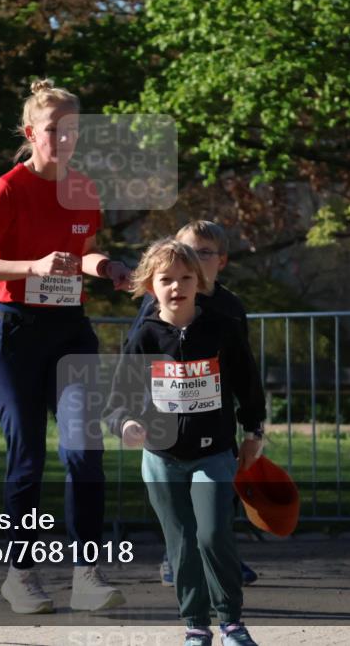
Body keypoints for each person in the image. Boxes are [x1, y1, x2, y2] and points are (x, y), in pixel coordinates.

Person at [0, 78, 132, 614]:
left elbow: (84, 253)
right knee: (28, 455)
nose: (64, 138)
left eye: (73, 130)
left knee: (84, 450)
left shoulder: (83, 189)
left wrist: (108, 267)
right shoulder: (7, 189)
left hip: (69, 330)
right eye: (54, 129)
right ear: (31, 132)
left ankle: (87, 574)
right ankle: (21, 575)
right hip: (15, 333)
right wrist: (32, 266)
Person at [109, 238, 266, 646]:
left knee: (213, 535)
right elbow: (118, 399)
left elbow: (248, 385)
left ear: (200, 282)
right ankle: (196, 624)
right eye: (166, 279)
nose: (176, 286)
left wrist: (254, 432)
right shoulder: (144, 336)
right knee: (180, 543)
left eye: (185, 278)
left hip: (213, 454)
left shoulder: (222, 329)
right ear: (150, 286)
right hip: (161, 458)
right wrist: (126, 424)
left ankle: (231, 622)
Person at [126, 220, 259, 587]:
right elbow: (135, 361)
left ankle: (221, 556)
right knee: (177, 511)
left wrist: (253, 427)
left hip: (216, 425)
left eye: (202, 254)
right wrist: (132, 417)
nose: (190, 264)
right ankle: (177, 559)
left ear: (220, 261)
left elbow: (244, 369)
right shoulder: (154, 311)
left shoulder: (229, 310)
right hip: (166, 433)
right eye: (186, 252)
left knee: (216, 503)